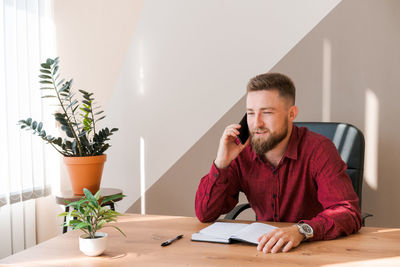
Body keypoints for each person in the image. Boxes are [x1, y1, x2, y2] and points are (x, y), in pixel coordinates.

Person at [195, 72, 361, 253]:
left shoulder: (319, 149)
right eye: (250, 113)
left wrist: (301, 230)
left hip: (313, 250)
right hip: (264, 250)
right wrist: (222, 163)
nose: (256, 123)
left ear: (291, 114)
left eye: (266, 113)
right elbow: (205, 213)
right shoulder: (241, 152)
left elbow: (348, 212)